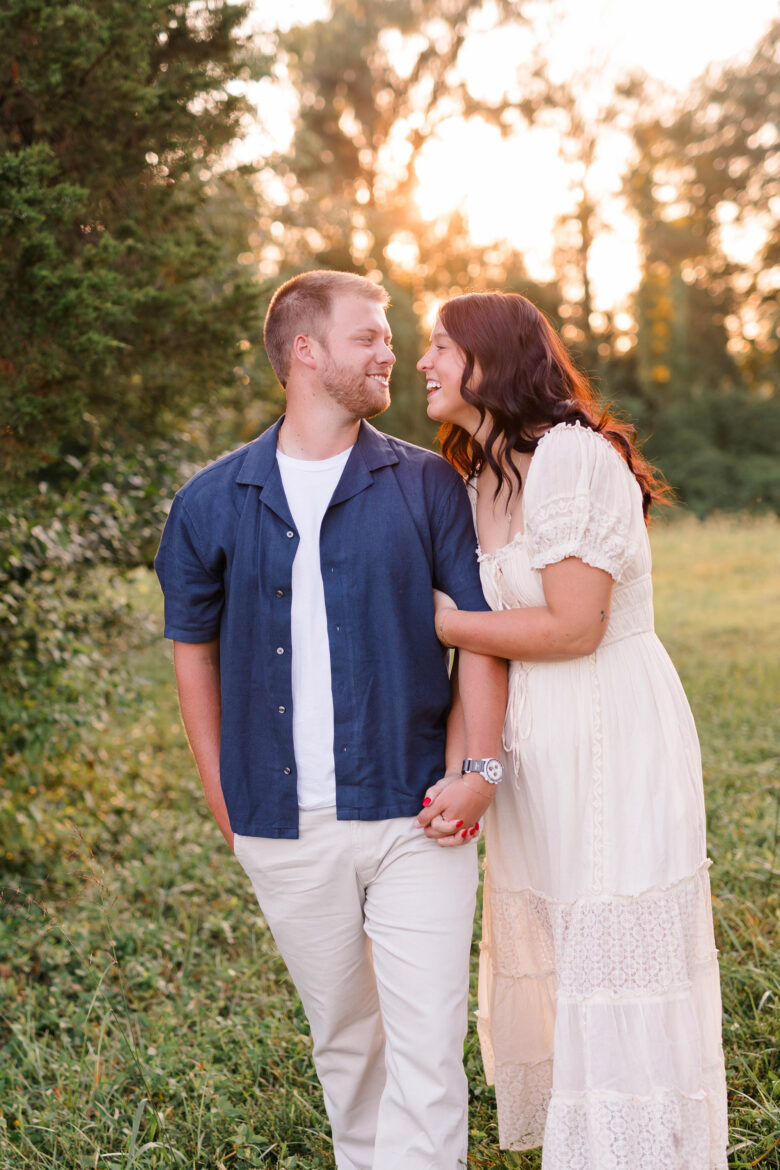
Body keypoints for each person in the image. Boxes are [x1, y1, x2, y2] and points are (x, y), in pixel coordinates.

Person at [154, 270, 506, 1170]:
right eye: (369, 336)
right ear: (305, 352)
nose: (392, 351)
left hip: (414, 812)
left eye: (390, 336)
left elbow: (481, 639)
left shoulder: (428, 484)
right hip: (282, 823)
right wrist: (220, 789)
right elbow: (191, 647)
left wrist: (477, 771)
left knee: (428, 1054)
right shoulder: (210, 502)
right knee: (349, 1048)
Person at [415, 292, 729, 1170]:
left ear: (492, 358)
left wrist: (440, 621)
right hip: (536, 742)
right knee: (562, 943)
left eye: (439, 344)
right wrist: (467, 764)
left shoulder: (573, 457)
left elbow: (572, 625)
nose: (423, 363)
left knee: (615, 947)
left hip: (610, 726)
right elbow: (493, 647)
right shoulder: (480, 476)